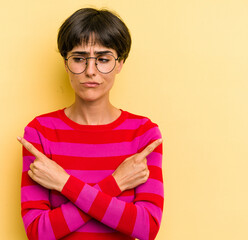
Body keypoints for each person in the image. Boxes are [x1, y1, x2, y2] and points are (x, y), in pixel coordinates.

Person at [17, 7, 163, 240]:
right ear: (66, 63)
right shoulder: (39, 132)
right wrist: (116, 183)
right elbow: (38, 232)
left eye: (103, 59)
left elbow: (146, 228)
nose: (91, 71)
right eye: (79, 59)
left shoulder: (143, 134)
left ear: (120, 63)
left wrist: (63, 183)